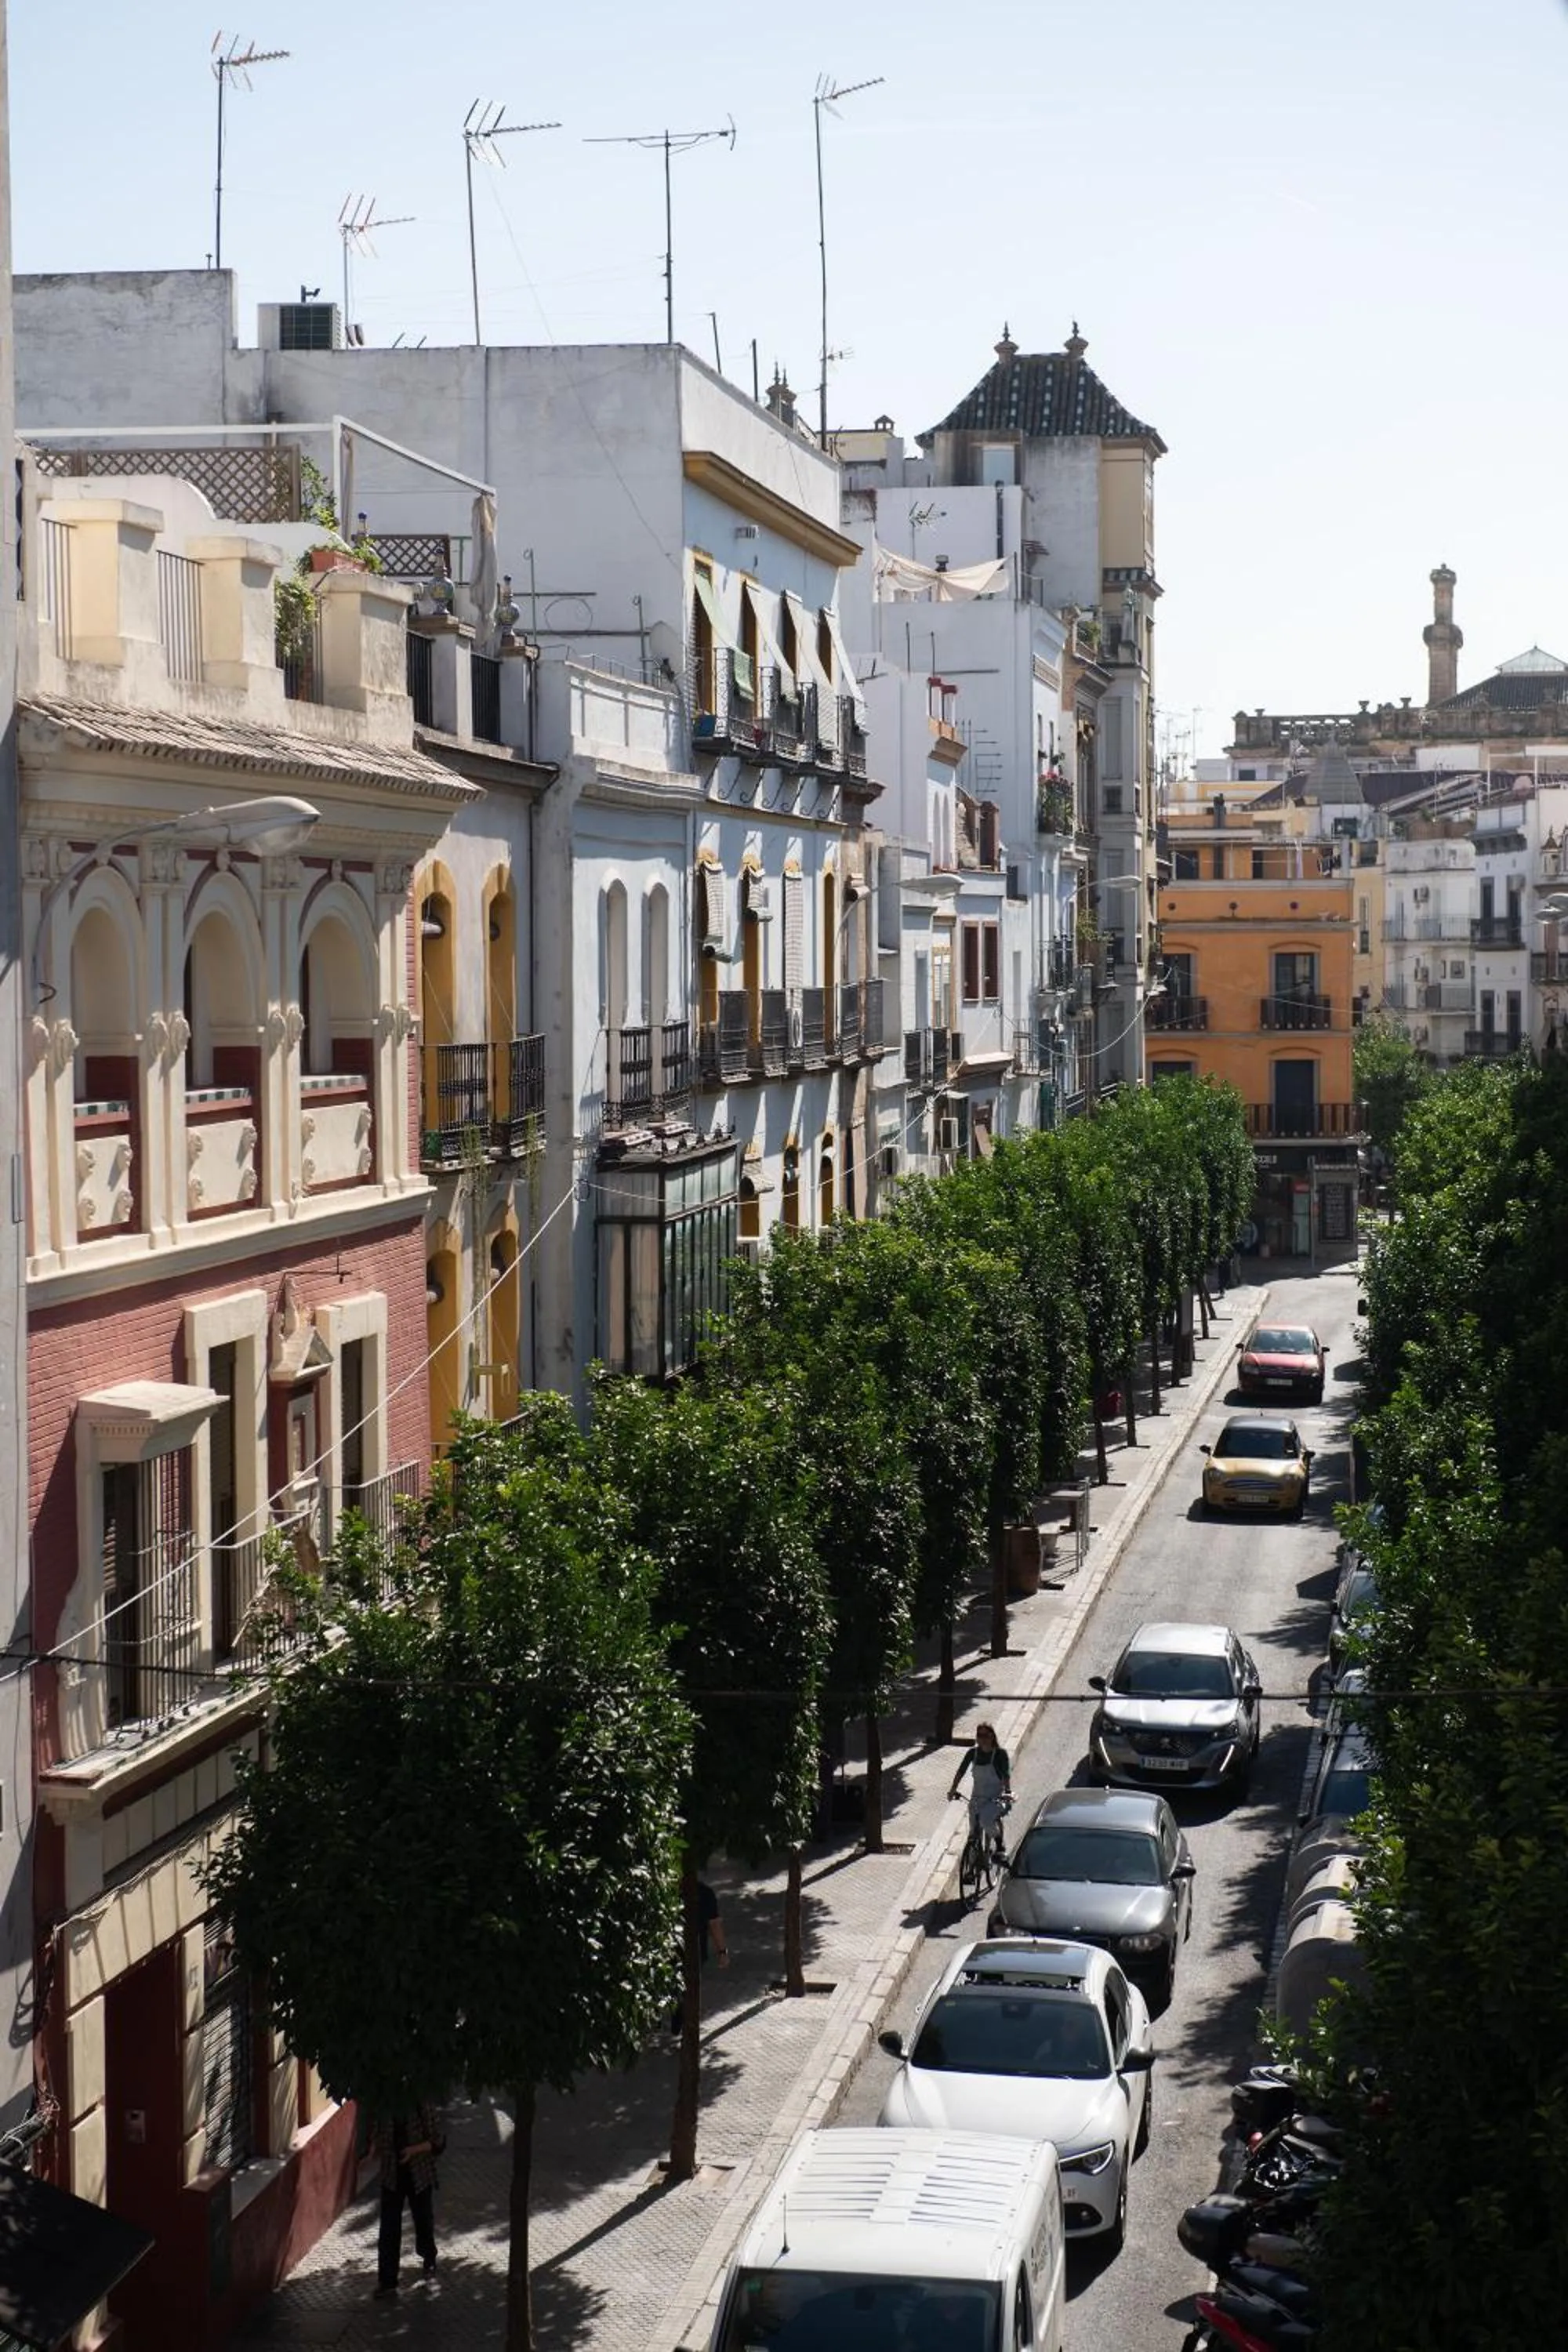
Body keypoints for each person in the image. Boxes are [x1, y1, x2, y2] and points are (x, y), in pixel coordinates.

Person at [372, 2102, 443, 2298]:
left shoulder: (421, 2100)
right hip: (392, 2174)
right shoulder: (384, 2101)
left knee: (423, 2220)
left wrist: (412, 2151)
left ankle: (428, 2255)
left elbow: (437, 2141)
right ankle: (387, 2281)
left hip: (417, 2174)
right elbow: (379, 2133)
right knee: (389, 2227)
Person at [948, 1722, 1011, 1855]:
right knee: (972, 1833)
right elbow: (961, 1771)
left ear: (992, 1737)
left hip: (995, 1799)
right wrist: (953, 1789)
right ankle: (971, 1866)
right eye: (979, 1735)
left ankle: (1000, 1845)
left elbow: (1006, 1776)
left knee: (985, 1820)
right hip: (976, 1798)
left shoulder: (1000, 1754)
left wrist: (1008, 1792)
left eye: (986, 1735)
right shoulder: (972, 1753)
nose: (982, 1739)